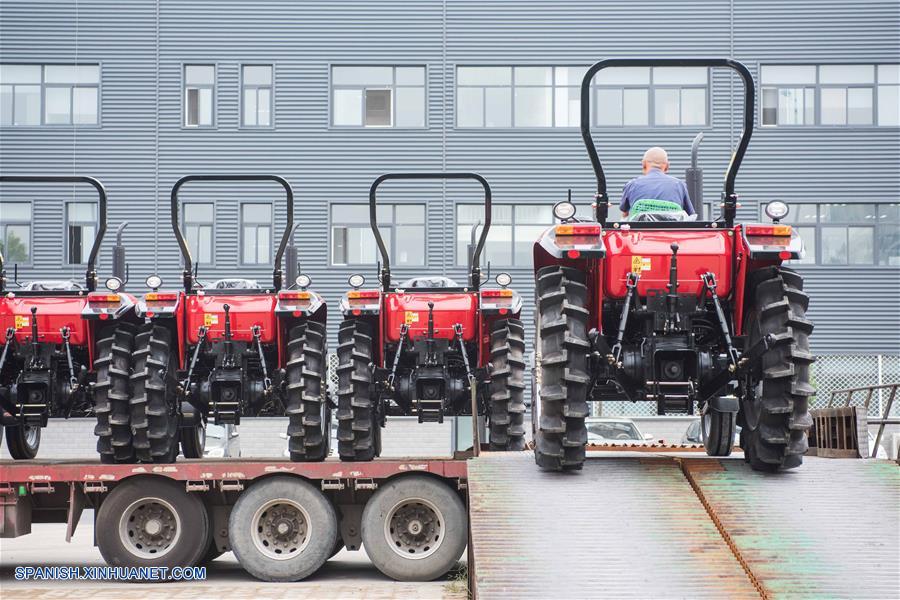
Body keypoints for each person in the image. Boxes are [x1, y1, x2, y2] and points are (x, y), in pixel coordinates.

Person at [620, 147, 695, 218]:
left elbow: (625, 215)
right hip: (670, 231)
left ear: (643, 164)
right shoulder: (679, 185)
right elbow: (690, 216)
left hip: (641, 231)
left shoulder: (632, 185)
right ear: (667, 166)